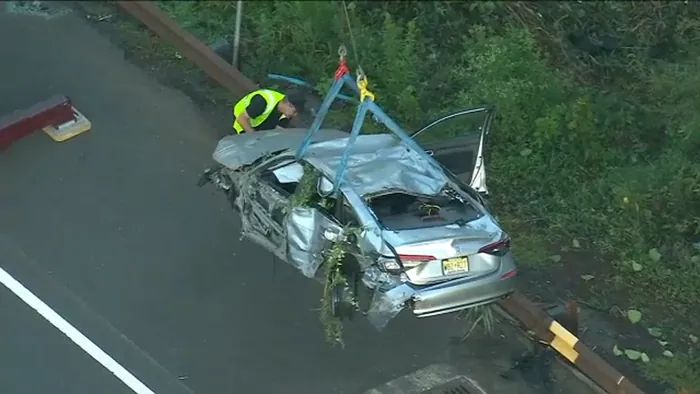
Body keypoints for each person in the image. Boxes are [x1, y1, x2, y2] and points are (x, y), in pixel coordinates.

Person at [232, 89, 303, 134]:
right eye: (294, 112)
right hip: (242, 124)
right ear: (289, 104)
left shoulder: (286, 113)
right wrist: (254, 138)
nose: (295, 115)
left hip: (260, 125)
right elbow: (241, 119)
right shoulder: (262, 101)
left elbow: (278, 130)